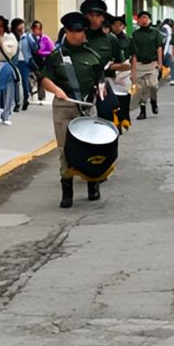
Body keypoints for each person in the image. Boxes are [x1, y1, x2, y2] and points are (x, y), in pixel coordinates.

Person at [39, 12, 107, 208]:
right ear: (67, 32)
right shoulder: (56, 56)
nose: (78, 35)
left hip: (87, 106)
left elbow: (100, 77)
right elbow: (44, 78)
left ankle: (92, 184)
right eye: (74, 31)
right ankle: (66, 188)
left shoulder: (92, 56)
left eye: (81, 31)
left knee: (92, 147)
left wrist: (101, 87)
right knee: (65, 149)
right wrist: (56, 90)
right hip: (64, 106)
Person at [130, 10, 164, 120]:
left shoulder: (155, 33)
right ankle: (142, 110)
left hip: (152, 64)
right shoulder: (135, 34)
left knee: (153, 85)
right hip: (140, 64)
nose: (144, 20)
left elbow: (159, 48)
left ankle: (154, 101)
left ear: (149, 19)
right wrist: (133, 71)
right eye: (141, 18)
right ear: (138, 20)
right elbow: (133, 53)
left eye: (146, 17)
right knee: (141, 89)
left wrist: (160, 63)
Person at [27, 20, 54, 104]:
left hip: (42, 61)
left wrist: (41, 52)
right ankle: (29, 93)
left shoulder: (45, 38)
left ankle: (41, 97)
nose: (37, 31)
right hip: (33, 60)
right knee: (31, 78)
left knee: (41, 79)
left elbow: (52, 50)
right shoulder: (30, 38)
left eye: (38, 29)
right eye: (35, 29)